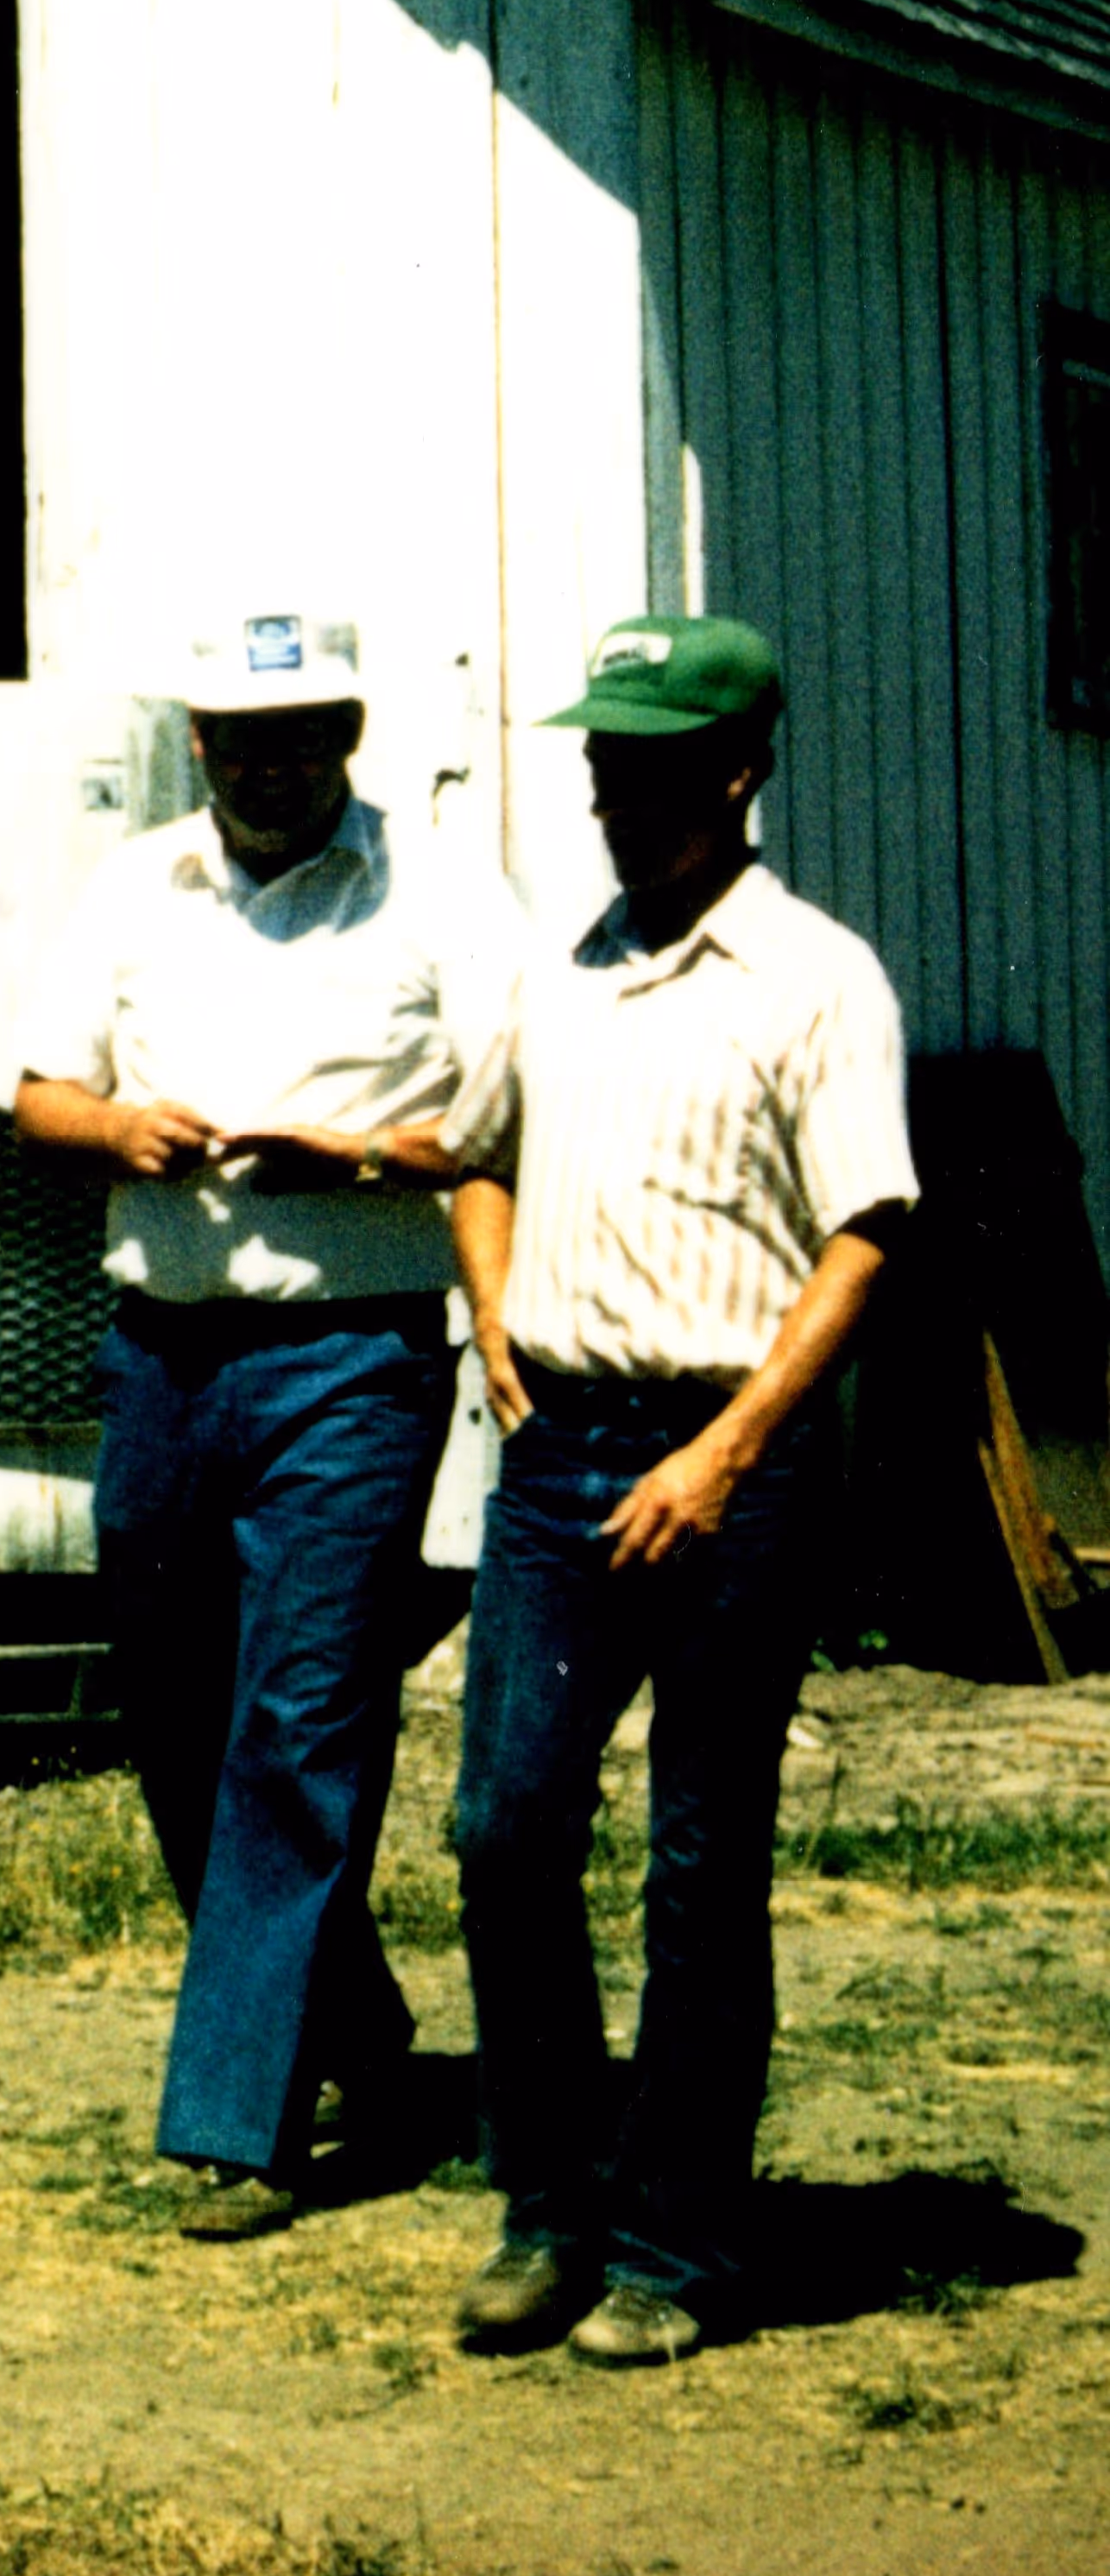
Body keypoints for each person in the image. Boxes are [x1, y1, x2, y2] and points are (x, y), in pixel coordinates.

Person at [15, 609, 519, 2238]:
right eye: (242, 735)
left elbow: (514, 1109)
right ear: (199, 744)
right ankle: (353, 2030)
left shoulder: (438, 891)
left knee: (299, 1719)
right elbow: (30, 1094)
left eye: (304, 730)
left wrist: (365, 1158)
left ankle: (236, 2121)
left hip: (348, 1361)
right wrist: (117, 1127)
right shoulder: (133, 888)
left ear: (350, 734)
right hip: (158, 1358)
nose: (273, 761)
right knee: (174, 1714)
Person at [446, 615, 915, 2367]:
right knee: (506, 1828)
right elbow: (477, 1152)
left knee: (701, 1860)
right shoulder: (557, 970)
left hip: (737, 1459)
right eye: (598, 767)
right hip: (558, 1450)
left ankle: (674, 2243)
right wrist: (493, 1316)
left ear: (736, 770)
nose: (613, 797)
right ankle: (548, 2206)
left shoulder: (815, 977)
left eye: (646, 767)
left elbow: (865, 1236)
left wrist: (725, 1448)